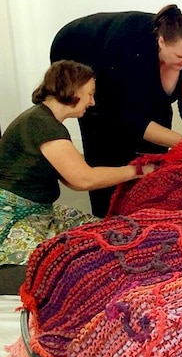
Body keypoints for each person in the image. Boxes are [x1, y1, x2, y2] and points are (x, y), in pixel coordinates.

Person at [50, 4, 182, 217]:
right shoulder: (130, 48)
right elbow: (133, 120)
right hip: (82, 49)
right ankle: (105, 214)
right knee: (106, 133)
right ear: (161, 42)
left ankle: (146, 208)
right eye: (181, 57)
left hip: (128, 62)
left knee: (157, 137)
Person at [0, 60, 154, 271]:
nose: (92, 102)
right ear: (73, 90)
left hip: (40, 211)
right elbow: (83, 179)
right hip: (13, 218)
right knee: (71, 260)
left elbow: (73, 179)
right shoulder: (43, 126)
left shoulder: (42, 120)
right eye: (90, 94)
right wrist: (138, 171)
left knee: (104, 232)